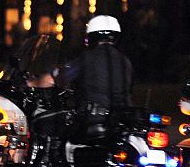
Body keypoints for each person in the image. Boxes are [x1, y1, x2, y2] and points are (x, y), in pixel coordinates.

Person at [43, 15, 133, 143]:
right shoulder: (125, 61)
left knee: (49, 127)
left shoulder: (87, 58)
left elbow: (54, 78)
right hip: (121, 119)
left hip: (92, 119)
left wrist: (30, 82)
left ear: (91, 36)